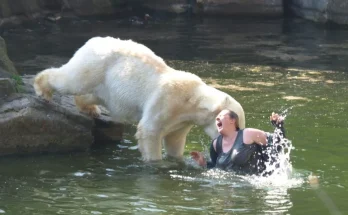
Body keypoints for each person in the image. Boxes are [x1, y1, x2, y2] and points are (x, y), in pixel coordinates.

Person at [190, 109, 286, 176]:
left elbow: (278, 144)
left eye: (221, 116)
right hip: (231, 189)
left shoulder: (248, 134)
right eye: (216, 118)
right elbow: (216, 169)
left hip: (257, 186)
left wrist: (279, 126)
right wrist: (203, 163)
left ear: (233, 120)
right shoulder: (216, 144)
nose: (217, 119)